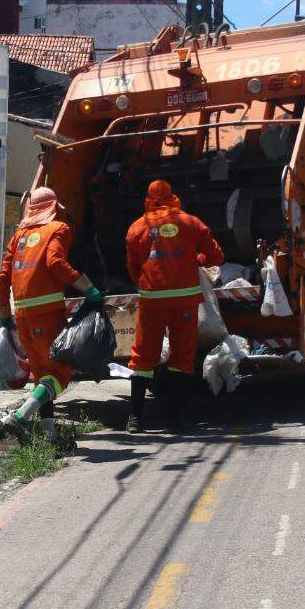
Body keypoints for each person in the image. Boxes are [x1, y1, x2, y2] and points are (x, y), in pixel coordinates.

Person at [0, 187, 100, 439]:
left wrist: (4, 315)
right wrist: (88, 288)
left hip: (22, 316)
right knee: (61, 373)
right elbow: (55, 263)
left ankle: (50, 436)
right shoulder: (58, 229)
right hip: (47, 315)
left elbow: (2, 276)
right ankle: (19, 417)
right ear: (53, 206)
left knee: (42, 374)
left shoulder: (19, 235)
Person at [124, 179, 224, 432]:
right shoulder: (191, 223)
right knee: (182, 357)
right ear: (172, 196)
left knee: (143, 356)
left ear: (149, 198)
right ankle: (175, 421)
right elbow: (216, 257)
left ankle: (135, 419)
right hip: (185, 301)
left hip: (152, 301)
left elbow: (133, 268)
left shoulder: (136, 228)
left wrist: (149, 286)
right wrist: (195, 259)